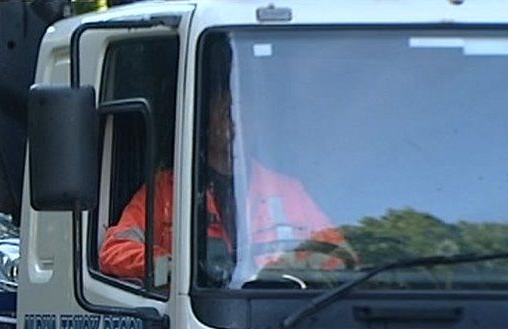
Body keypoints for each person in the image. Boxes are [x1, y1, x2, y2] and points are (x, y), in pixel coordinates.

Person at [99, 88, 354, 281]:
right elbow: (114, 250)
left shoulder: (287, 190)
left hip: (277, 314)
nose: (234, 121)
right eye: (226, 110)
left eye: (243, 112)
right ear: (205, 120)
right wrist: (169, 264)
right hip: (194, 314)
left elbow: (341, 256)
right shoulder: (167, 190)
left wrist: (292, 264)